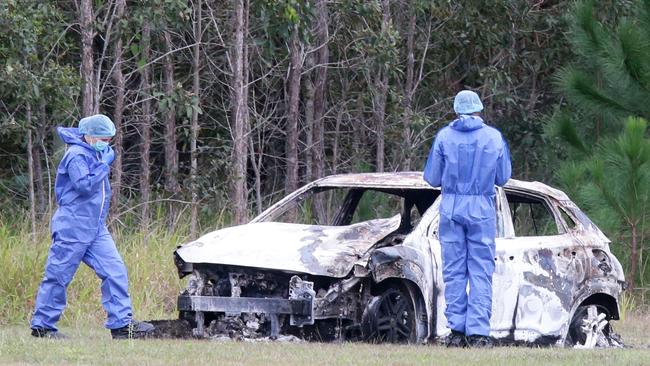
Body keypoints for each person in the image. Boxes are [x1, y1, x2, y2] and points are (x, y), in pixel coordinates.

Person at [30, 114, 154, 339]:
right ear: (88, 135)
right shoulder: (77, 155)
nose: (105, 143)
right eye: (102, 139)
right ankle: (43, 326)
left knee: (115, 270)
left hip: (96, 227)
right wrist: (103, 165)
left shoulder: (94, 153)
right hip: (73, 226)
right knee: (58, 275)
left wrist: (101, 161)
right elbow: (84, 186)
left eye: (108, 140)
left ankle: (121, 325)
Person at [423, 90, 511, 348]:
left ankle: (457, 332)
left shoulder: (444, 137)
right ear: (479, 108)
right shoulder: (494, 138)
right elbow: (503, 177)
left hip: (451, 209)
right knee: (481, 271)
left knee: (454, 272)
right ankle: (479, 333)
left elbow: (432, 177)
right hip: (482, 210)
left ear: (456, 108)